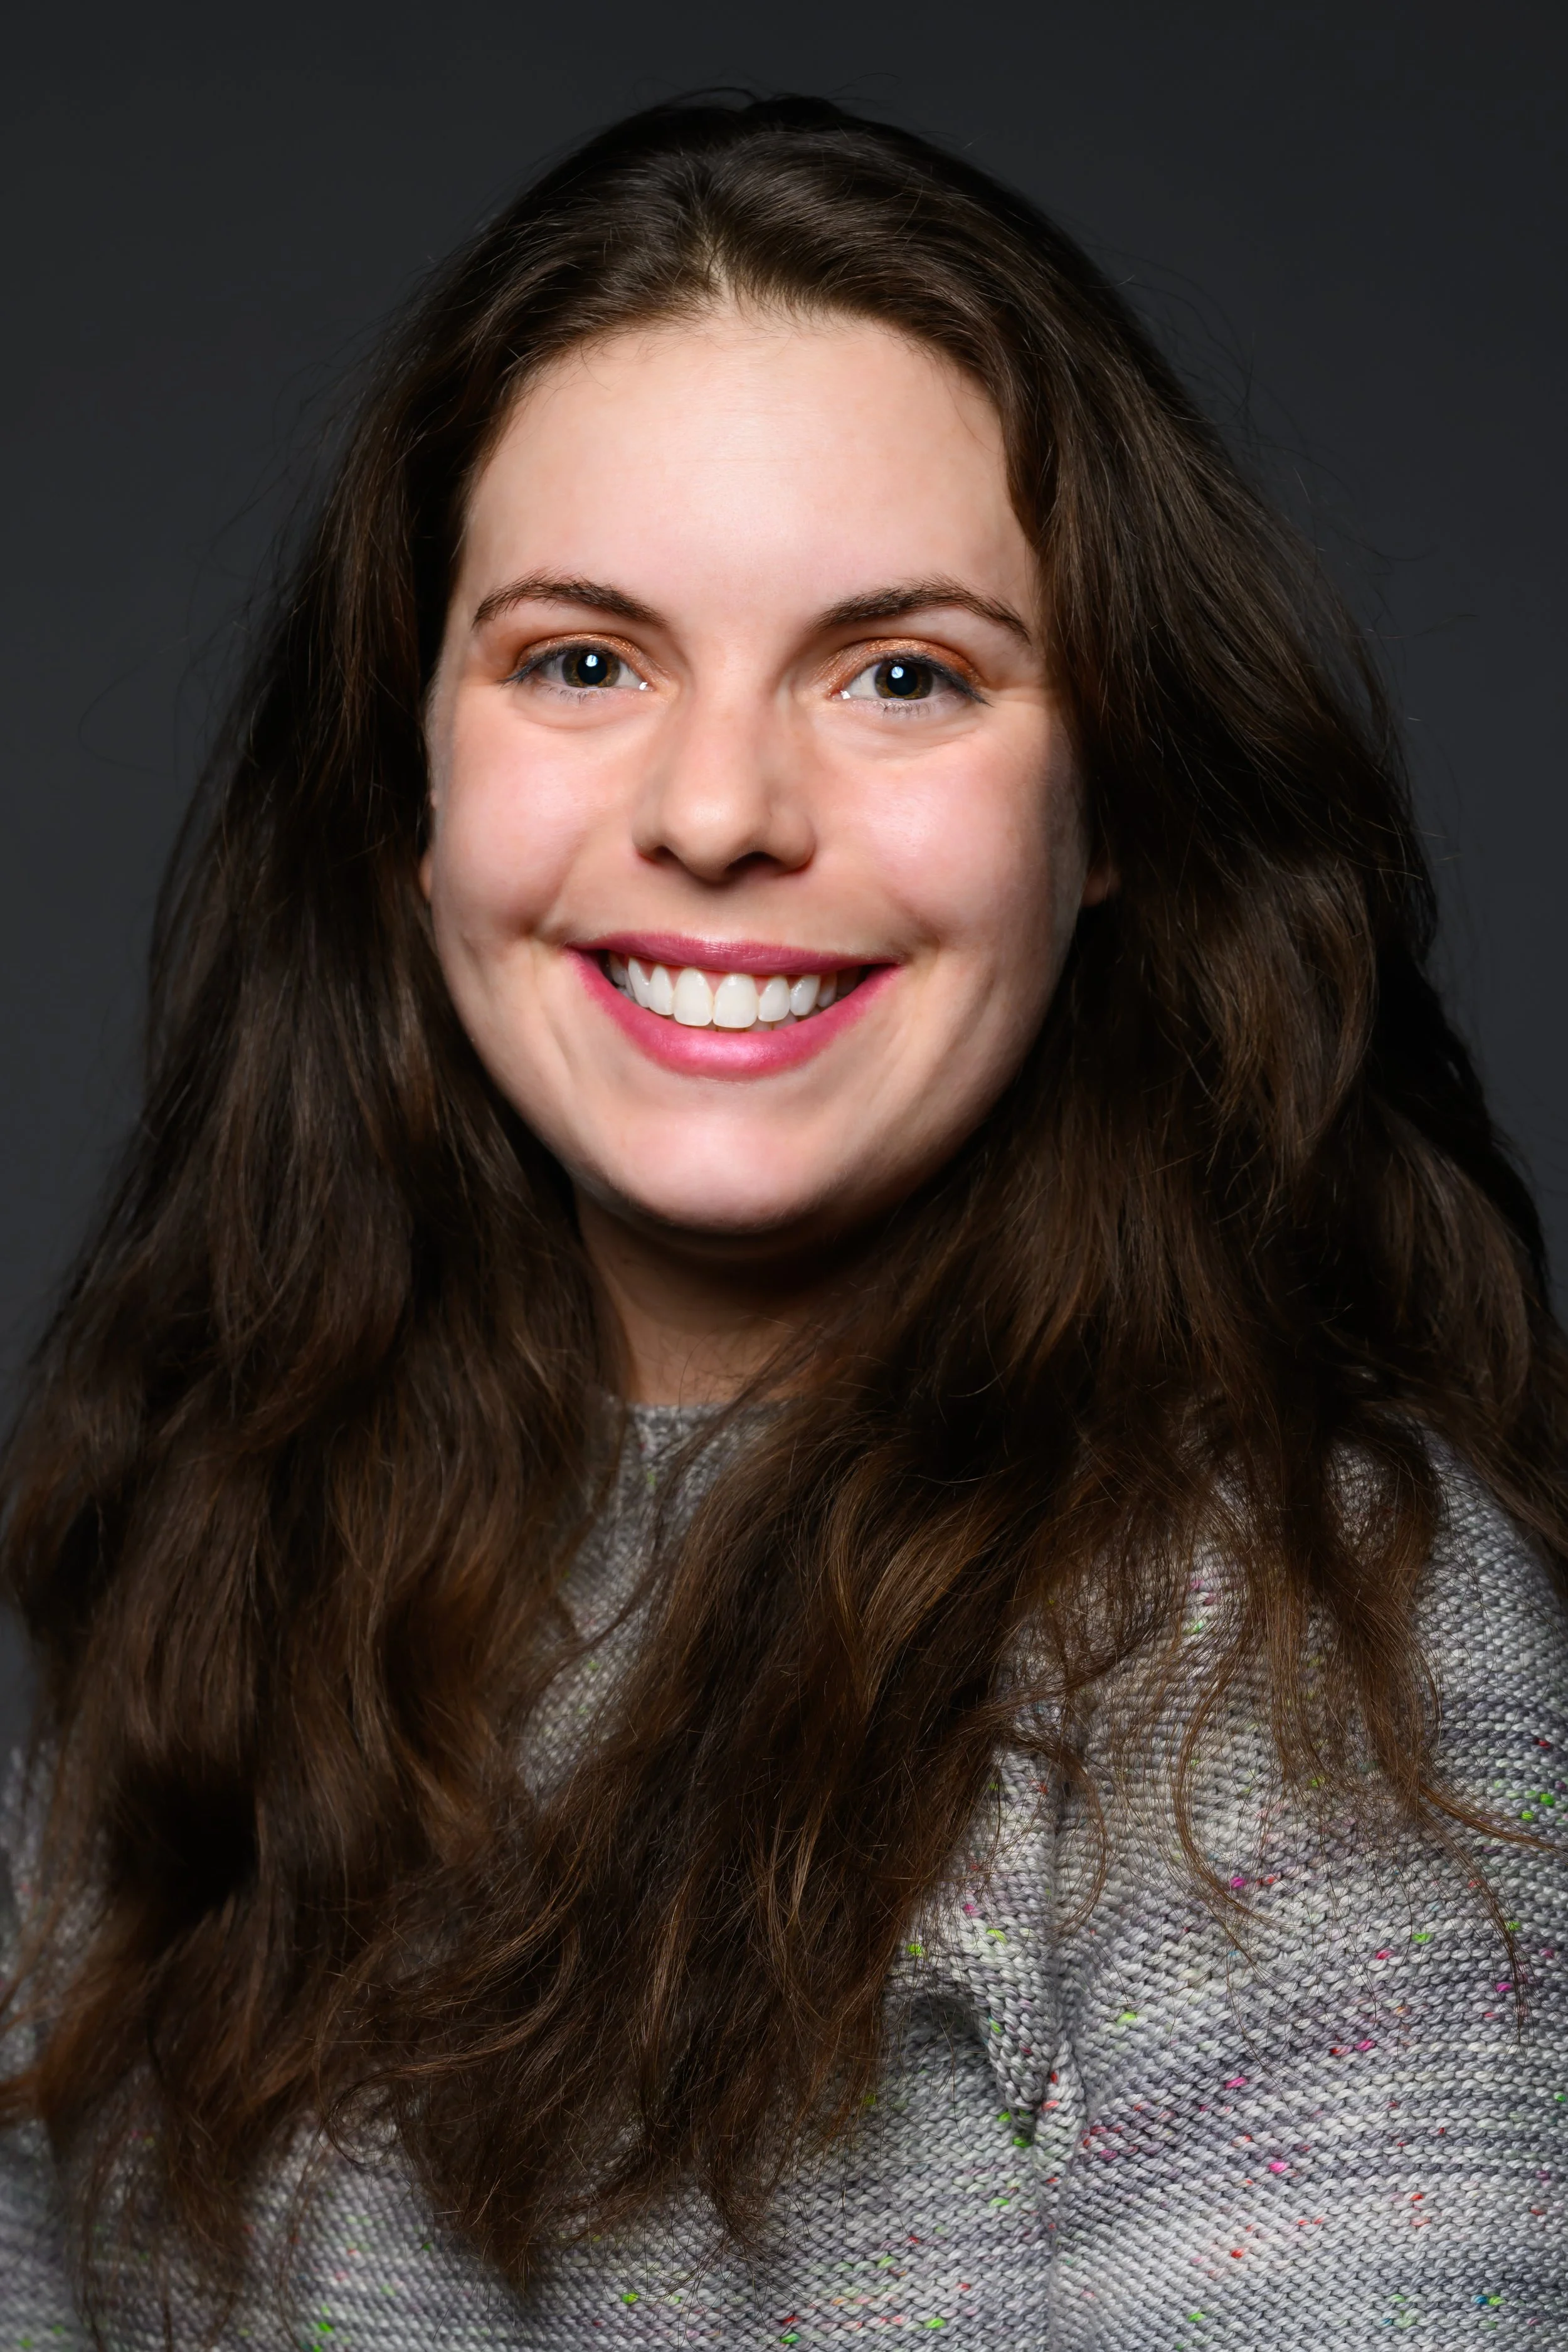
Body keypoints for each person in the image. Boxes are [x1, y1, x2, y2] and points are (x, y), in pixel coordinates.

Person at [1, 91, 1564, 2350]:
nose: (722, 810)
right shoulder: (212, 1575)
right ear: (408, 793)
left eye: (901, 674)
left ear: (1103, 804)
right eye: (582, 660)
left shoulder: (1303, 1639)